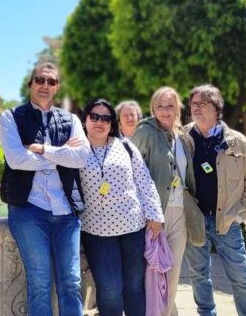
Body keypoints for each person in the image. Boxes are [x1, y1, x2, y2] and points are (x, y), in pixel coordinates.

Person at [39, 98, 164, 316]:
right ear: (85, 119)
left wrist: (155, 216)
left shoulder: (125, 145)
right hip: (97, 232)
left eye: (105, 118)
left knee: (135, 286)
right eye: (94, 116)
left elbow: (144, 180)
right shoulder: (75, 149)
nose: (100, 122)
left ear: (112, 123)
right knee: (110, 290)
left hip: (133, 227)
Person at [0, 62, 84, 316]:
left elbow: (80, 158)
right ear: (31, 83)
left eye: (51, 81)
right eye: (40, 80)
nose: (45, 85)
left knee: (72, 282)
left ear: (57, 87)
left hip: (66, 212)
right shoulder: (10, 117)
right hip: (29, 210)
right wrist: (61, 154)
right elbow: (16, 160)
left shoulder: (71, 120)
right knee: (40, 283)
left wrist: (42, 150)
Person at [184, 84, 246, 316]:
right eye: (193, 104)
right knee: (199, 275)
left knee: (240, 276)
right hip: (195, 220)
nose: (196, 108)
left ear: (216, 108)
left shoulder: (237, 142)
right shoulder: (182, 138)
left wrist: (243, 214)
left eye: (202, 104)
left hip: (227, 221)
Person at [131, 87, 204, 316]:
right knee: (152, 275)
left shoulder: (182, 137)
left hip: (179, 213)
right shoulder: (145, 132)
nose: (165, 111)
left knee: (172, 274)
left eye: (170, 106)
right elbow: (131, 172)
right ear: (153, 108)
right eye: (160, 106)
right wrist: (146, 213)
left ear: (178, 109)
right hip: (153, 216)